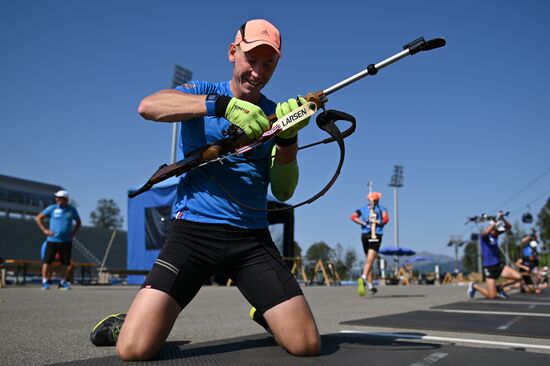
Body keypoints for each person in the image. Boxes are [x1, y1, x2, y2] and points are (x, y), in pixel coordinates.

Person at [111, 19, 320, 361]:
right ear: (233, 51)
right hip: (192, 232)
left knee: (306, 344)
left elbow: (283, 192)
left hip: (251, 240)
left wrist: (288, 138)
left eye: (269, 64)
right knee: (134, 349)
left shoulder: (278, 114)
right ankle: (127, 321)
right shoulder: (202, 91)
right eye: (251, 59)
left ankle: (265, 311)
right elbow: (148, 106)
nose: (258, 71)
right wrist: (221, 106)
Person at [467, 211, 522, 299]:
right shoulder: (484, 236)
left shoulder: (496, 235)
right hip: (488, 267)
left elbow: (509, 226)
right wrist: (495, 221)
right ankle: (474, 286)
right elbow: (485, 232)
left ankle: (500, 287)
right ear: (492, 228)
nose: (498, 232)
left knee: (518, 277)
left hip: (498, 265)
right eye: (496, 229)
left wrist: (502, 218)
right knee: (492, 296)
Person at [35, 190, 81, 290]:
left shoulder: (72, 210)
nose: (57, 199)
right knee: (47, 262)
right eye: (57, 197)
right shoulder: (52, 208)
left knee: (66, 263)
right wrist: (44, 230)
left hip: (66, 241)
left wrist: (74, 233)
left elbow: (78, 222)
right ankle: (44, 282)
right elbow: (38, 218)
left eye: (60, 198)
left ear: (66, 199)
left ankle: (62, 282)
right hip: (52, 240)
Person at [351, 191, 389, 296]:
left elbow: (353, 217)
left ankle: (371, 285)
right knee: (371, 259)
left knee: (368, 260)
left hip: (364, 235)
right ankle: (363, 278)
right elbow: (386, 219)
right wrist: (379, 223)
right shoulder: (382, 209)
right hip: (375, 235)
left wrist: (363, 223)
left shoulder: (362, 209)